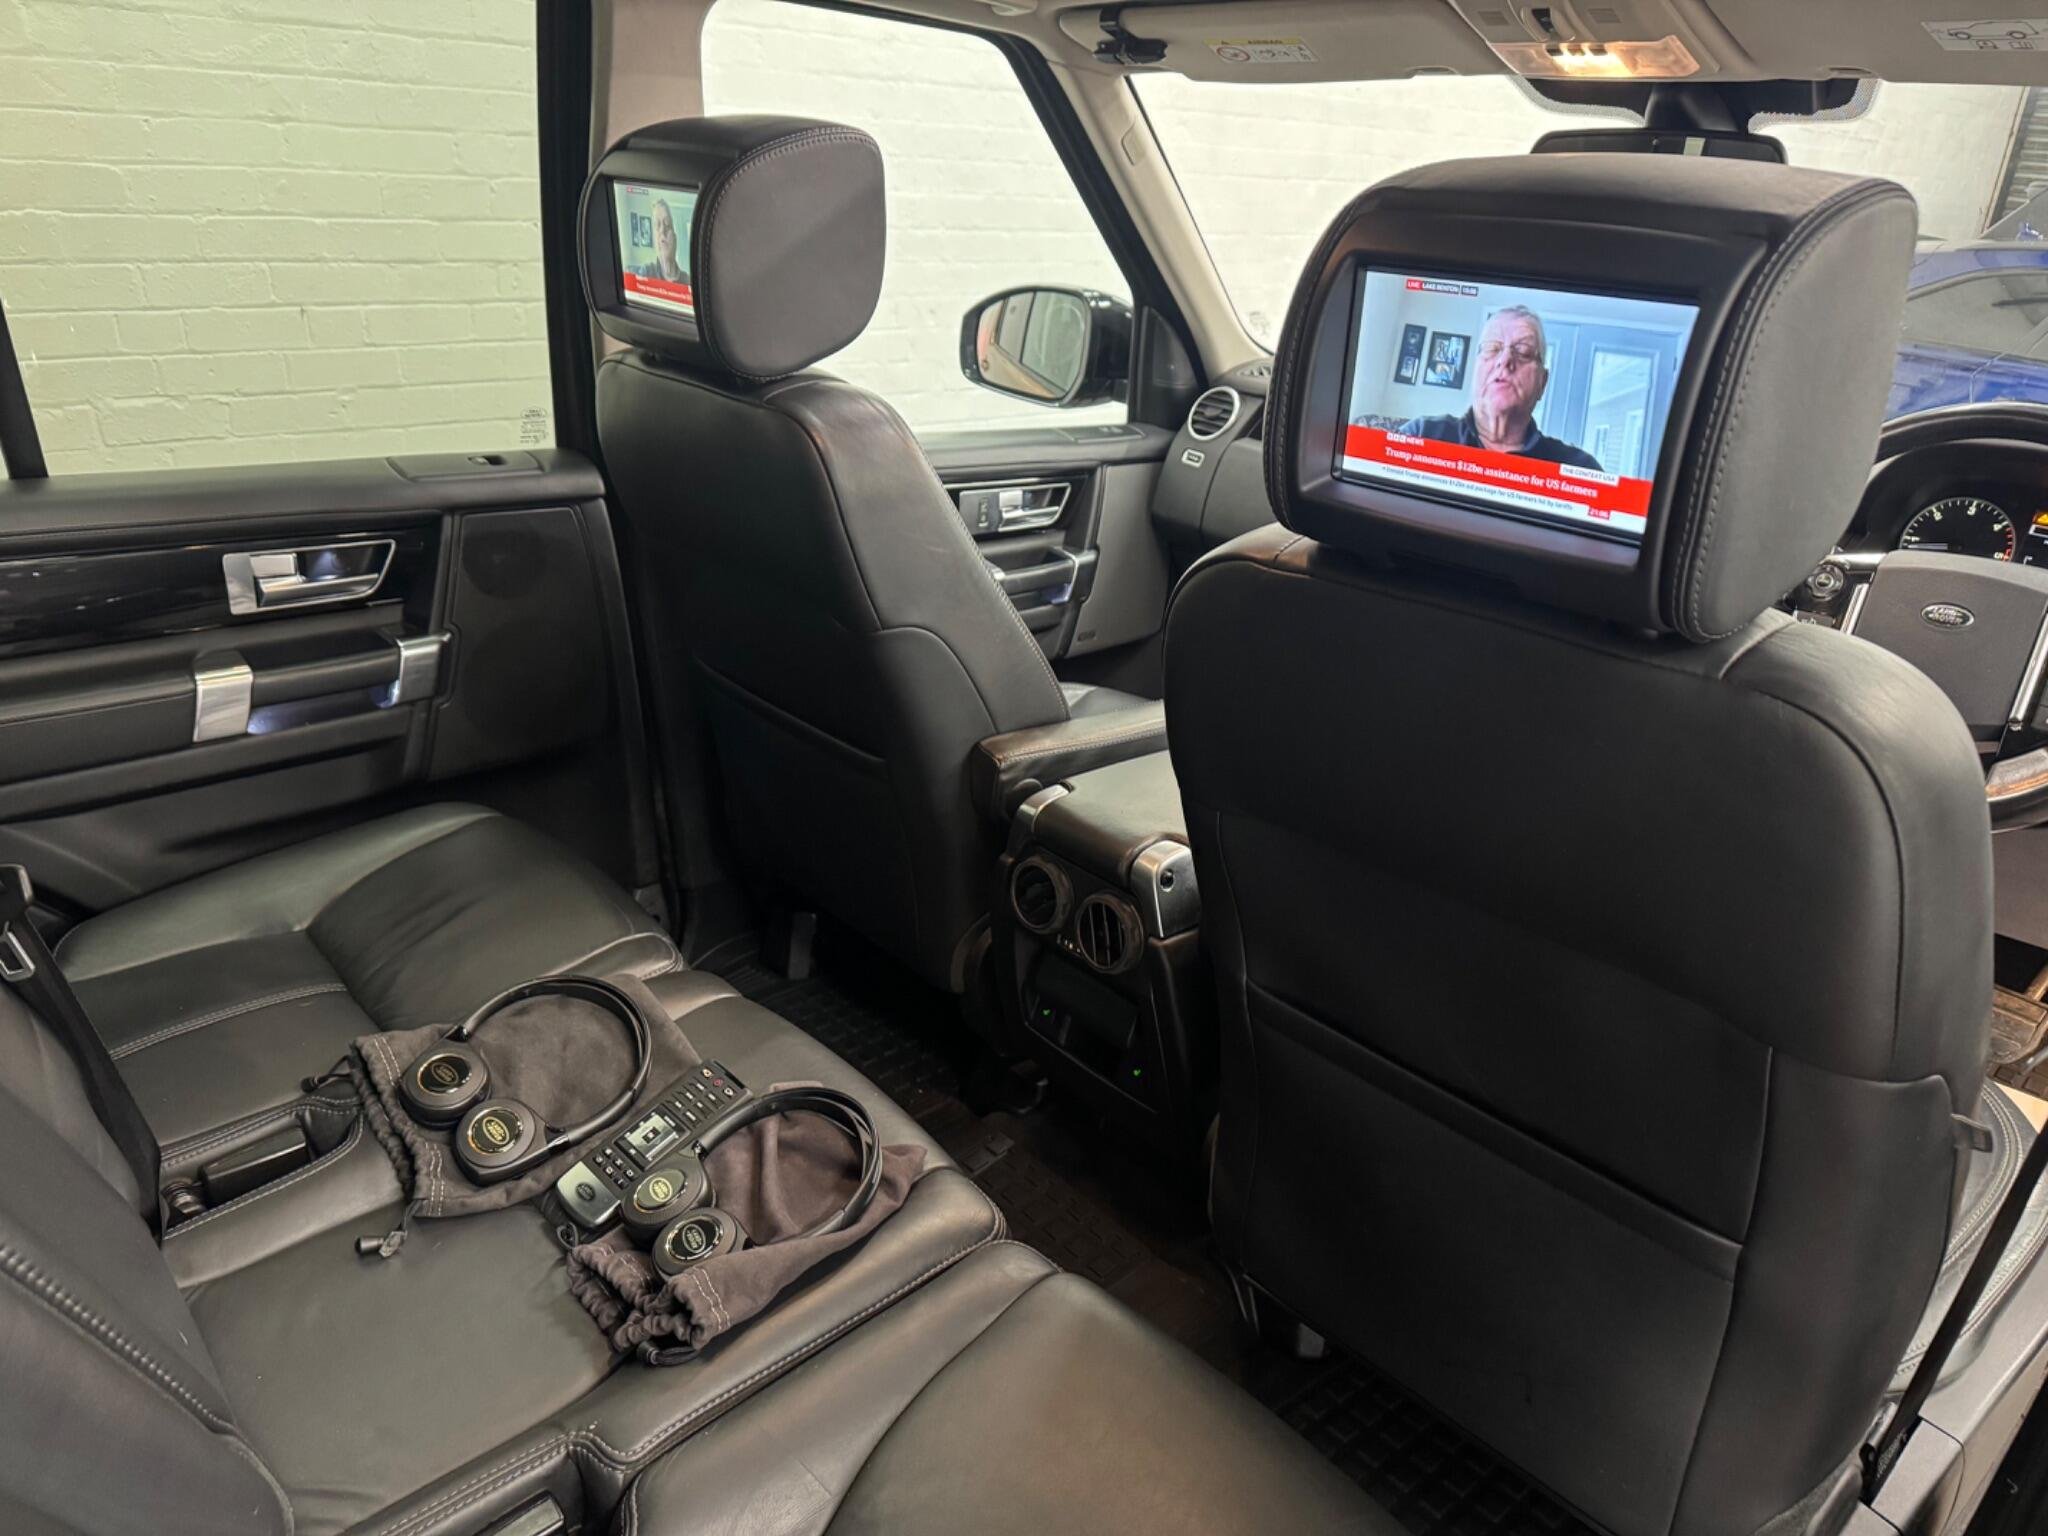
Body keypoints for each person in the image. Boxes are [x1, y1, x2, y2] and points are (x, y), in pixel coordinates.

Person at [1393, 305, 1601, 470]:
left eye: (1524, 351)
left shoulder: (1580, 469)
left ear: (1542, 383)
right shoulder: (1420, 435)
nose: (1505, 360)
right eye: (1492, 348)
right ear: (1475, 369)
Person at [635, 199, 688, 285]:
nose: (662, 231)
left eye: (667, 224)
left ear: (675, 238)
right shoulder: (646, 272)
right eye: (657, 225)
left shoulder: (687, 280)